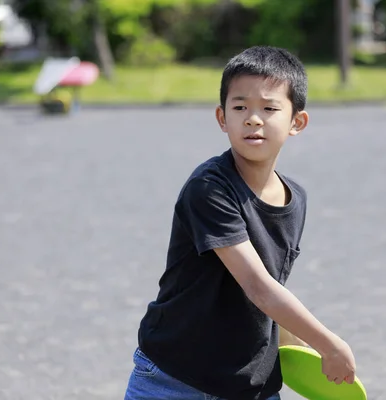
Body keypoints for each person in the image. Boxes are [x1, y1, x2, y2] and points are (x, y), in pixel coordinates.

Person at [124, 45, 356, 400]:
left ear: (297, 122)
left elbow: (271, 289)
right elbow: (257, 286)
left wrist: (299, 347)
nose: (253, 118)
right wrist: (328, 343)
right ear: (222, 118)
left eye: (269, 108)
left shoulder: (296, 199)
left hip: (248, 385)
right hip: (174, 380)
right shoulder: (209, 189)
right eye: (240, 107)